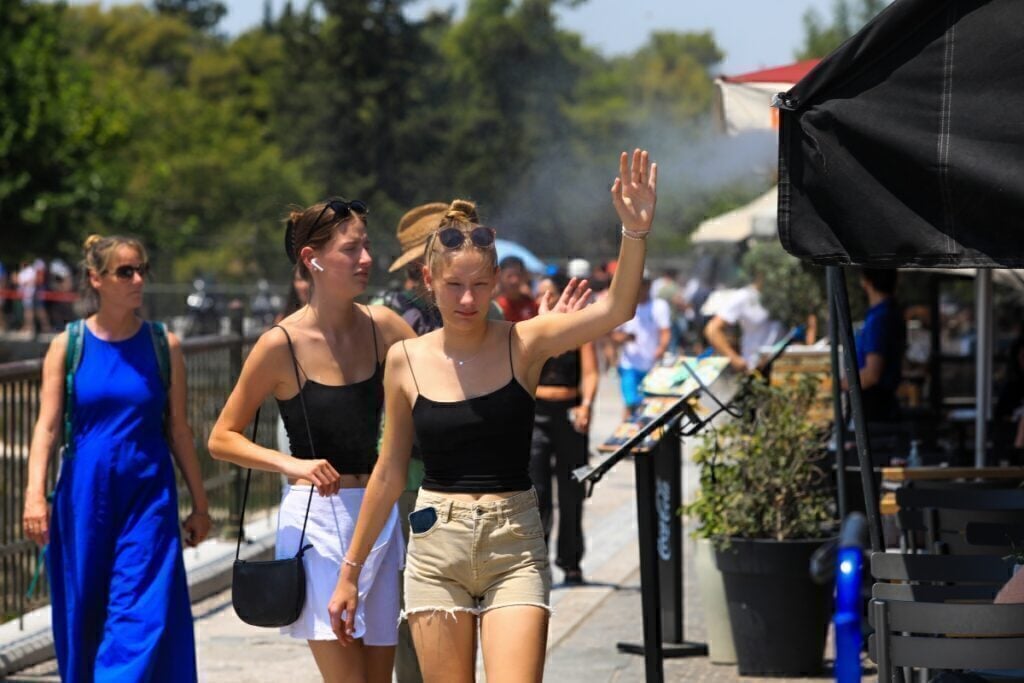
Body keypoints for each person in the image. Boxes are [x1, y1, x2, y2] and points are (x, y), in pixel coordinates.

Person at [329, 149, 657, 683]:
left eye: (480, 286)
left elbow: (617, 310)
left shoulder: (523, 342)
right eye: (455, 286)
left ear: (496, 283)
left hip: (514, 543)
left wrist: (634, 233)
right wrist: (350, 572)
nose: (467, 299)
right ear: (429, 282)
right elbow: (388, 473)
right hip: (436, 545)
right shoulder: (404, 359)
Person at [208, 198, 416, 682]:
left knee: (379, 678)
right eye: (351, 249)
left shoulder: (383, 326)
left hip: (378, 515)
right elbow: (222, 437)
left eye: (366, 246)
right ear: (311, 259)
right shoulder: (279, 344)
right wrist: (293, 465)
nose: (366, 259)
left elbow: (440, 373)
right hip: (318, 525)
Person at [22, 234, 210, 682]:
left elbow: (179, 430)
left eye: (142, 269)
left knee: (139, 613)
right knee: (85, 609)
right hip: (84, 498)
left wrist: (200, 506)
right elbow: (46, 427)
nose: (138, 279)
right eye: (126, 271)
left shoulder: (165, 345)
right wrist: (33, 497)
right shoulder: (68, 346)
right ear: (96, 279)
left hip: (148, 497)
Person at [529, 272, 599, 585]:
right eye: (540, 294)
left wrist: (586, 406)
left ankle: (571, 561)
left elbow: (591, 373)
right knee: (537, 492)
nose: (546, 299)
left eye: (550, 293)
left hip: (569, 414)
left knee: (572, 490)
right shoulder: (530, 332)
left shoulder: (578, 332)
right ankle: (536, 563)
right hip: (536, 416)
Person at [610, 271, 671, 417]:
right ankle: (626, 436)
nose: (640, 287)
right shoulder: (624, 307)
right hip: (629, 365)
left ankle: (645, 436)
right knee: (630, 403)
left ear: (649, 285)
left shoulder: (659, 306)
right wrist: (624, 338)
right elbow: (613, 335)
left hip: (652, 365)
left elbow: (665, 332)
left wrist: (661, 348)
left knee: (651, 406)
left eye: (643, 284)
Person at [703, 262, 783, 373]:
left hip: (783, 367)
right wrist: (735, 360)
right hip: (755, 368)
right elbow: (712, 329)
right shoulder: (744, 296)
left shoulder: (782, 295)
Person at [853, 268, 904, 422]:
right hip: (882, 401)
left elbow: (872, 375)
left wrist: (842, 384)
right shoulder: (891, 312)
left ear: (866, 282)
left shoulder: (879, 318)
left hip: (873, 402)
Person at [495, 255, 539, 322]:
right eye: (509, 276)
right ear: (500, 276)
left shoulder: (532, 305)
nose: (514, 280)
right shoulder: (495, 307)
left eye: (518, 275)